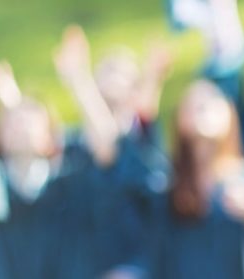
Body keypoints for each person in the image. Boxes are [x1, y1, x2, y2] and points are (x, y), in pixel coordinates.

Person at [0, 10, 103, 278]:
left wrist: (79, 80)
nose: (19, 125)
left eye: (29, 120)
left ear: (51, 140)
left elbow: (107, 147)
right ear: (0, 138)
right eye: (11, 121)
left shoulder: (70, 188)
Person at [53, 25, 173, 279]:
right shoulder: (72, 142)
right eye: (107, 70)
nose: (114, 77)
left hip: (137, 262)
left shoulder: (145, 136)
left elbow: (113, 145)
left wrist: (78, 79)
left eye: (123, 72)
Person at [158, 80, 244, 279]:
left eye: (211, 102)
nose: (204, 109)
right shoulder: (168, 182)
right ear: (180, 119)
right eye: (195, 105)